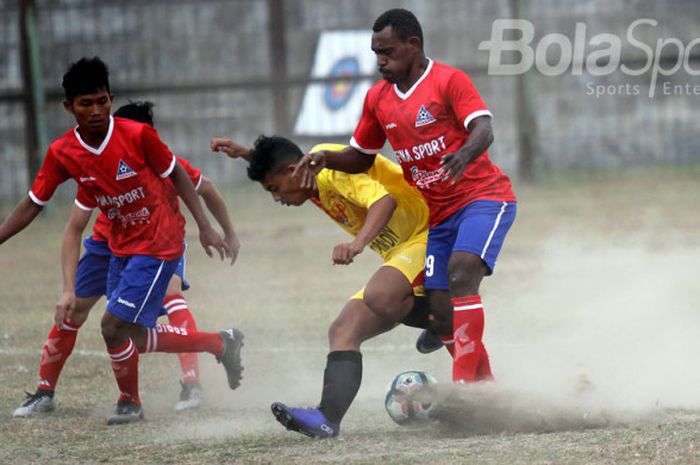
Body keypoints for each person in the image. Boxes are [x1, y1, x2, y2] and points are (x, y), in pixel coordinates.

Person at [0, 57, 244, 425]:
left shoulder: (139, 137)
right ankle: (218, 343)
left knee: (115, 325)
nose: (96, 111)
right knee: (125, 330)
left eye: (102, 101)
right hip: (116, 246)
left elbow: (183, 177)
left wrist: (206, 227)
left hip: (160, 243)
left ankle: (133, 402)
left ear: (110, 99)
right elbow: (35, 206)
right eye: (86, 104)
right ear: (69, 107)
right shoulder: (64, 153)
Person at [294, 9, 517, 386]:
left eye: (387, 52)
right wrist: (326, 158)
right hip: (440, 216)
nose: (380, 61)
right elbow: (361, 157)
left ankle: (464, 390)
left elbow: (484, 128)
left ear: (413, 46)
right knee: (441, 310)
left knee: (461, 274)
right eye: (375, 53)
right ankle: (486, 389)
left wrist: (463, 154)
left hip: (484, 198)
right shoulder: (378, 99)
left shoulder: (448, 81)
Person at [211, 135, 443, 439]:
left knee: (380, 295)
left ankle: (444, 321)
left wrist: (357, 244)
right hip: (402, 251)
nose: (276, 198)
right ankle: (326, 419)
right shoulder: (306, 175)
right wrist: (248, 154)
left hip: (430, 233)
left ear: (295, 170)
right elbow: (284, 164)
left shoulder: (330, 168)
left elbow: (385, 200)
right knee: (343, 329)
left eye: (274, 189)